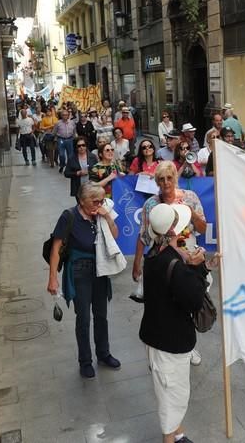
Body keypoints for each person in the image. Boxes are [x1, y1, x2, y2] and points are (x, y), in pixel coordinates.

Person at [140, 202, 208, 443]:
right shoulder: (174, 265)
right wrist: (198, 269)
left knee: (169, 392)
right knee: (173, 396)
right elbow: (195, 299)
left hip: (156, 334)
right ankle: (170, 438)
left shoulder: (154, 254)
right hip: (170, 341)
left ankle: (178, 433)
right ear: (173, 233)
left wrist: (189, 264)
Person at [133, 162, 207, 367]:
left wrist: (191, 212)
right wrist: (137, 263)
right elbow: (143, 236)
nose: (166, 183)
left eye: (169, 178)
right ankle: (158, 346)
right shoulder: (150, 204)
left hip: (188, 255)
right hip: (163, 259)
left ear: (176, 177)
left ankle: (190, 346)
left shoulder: (190, 197)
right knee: (161, 301)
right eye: (161, 179)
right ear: (156, 182)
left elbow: (202, 228)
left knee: (189, 300)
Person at [46, 181, 121, 378]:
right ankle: (85, 361)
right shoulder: (69, 216)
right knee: (84, 318)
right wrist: (52, 278)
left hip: (100, 269)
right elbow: (56, 249)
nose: (99, 204)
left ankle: (103, 353)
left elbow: (115, 236)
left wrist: (107, 217)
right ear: (81, 200)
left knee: (101, 315)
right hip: (80, 270)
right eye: (95, 201)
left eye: (102, 200)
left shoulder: (101, 214)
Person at [53, 108, 77, 173]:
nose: (65, 116)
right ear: (61, 115)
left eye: (66, 115)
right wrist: (55, 139)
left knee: (70, 155)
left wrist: (75, 139)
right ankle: (62, 165)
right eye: (63, 115)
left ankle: (69, 167)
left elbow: (74, 131)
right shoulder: (58, 123)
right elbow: (54, 132)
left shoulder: (72, 122)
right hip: (61, 140)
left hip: (70, 139)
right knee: (61, 154)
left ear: (68, 115)